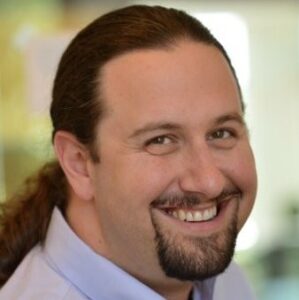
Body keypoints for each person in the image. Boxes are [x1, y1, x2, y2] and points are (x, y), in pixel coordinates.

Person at [0, 5, 257, 300]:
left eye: (221, 133)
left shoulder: (226, 282)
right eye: (161, 140)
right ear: (79, 163)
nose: (209, 181)